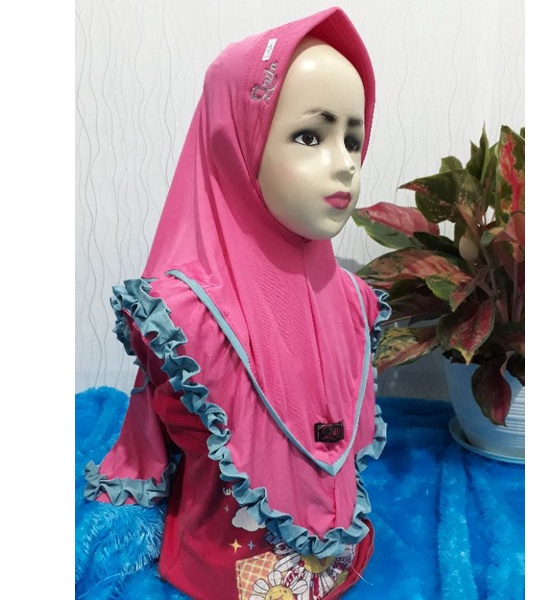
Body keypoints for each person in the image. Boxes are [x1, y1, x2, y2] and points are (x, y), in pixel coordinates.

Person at [84, 7, 390, 599]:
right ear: (235, 143)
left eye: (353, 139)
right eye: (311, 136)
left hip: (348, 556)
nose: (345, 163)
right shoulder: (185, 315)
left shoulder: (356, 304)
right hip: (224, 571)